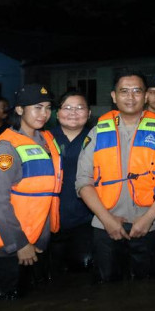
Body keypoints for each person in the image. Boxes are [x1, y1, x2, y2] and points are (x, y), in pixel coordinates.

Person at [76, 70, 155, 282]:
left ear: (145, 96)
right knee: (107, 291)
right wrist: (107, 221)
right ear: (114, 96)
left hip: (148, 225)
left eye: (136, 91)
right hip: (105, 226)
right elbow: (82, 182)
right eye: (124, 91)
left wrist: (148, 218)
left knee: (147, 292)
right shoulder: (97, 132)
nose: (130, 97)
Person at [0, 84, 61, 299]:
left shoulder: (46, 141)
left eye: (47, 107)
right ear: (19, 110)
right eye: (37, 107)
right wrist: (20, 243)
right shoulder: (5, 148)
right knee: (3, 309)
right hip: (7, 245)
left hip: (34, 239)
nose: (44, 113)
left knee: (27, 307)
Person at [48, 91, 94, 273]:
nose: (73, 112)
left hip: (86, 220)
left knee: (83, 270)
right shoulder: (43, 139)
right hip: (48, 220)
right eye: (67, 108)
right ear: (57, 113)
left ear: (89, 113)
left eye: (79, 108)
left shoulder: (98, 139)